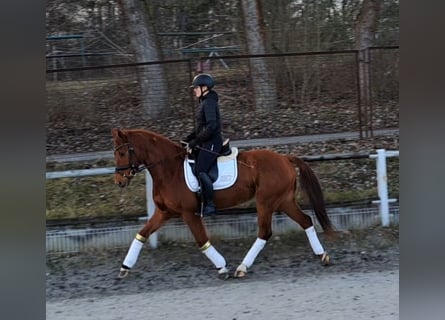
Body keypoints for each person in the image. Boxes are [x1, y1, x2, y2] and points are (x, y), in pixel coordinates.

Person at [183, 73, 223, 217]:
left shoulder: (209, 103)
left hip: (212, 142)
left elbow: (212, 126)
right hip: (206, 141)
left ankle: (210, 205)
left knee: (200, 169)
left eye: (196, 88)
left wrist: (196, 141)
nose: (194, 90)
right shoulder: (205, 102)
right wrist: (189, 138)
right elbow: (201, 126)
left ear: (204, 87)